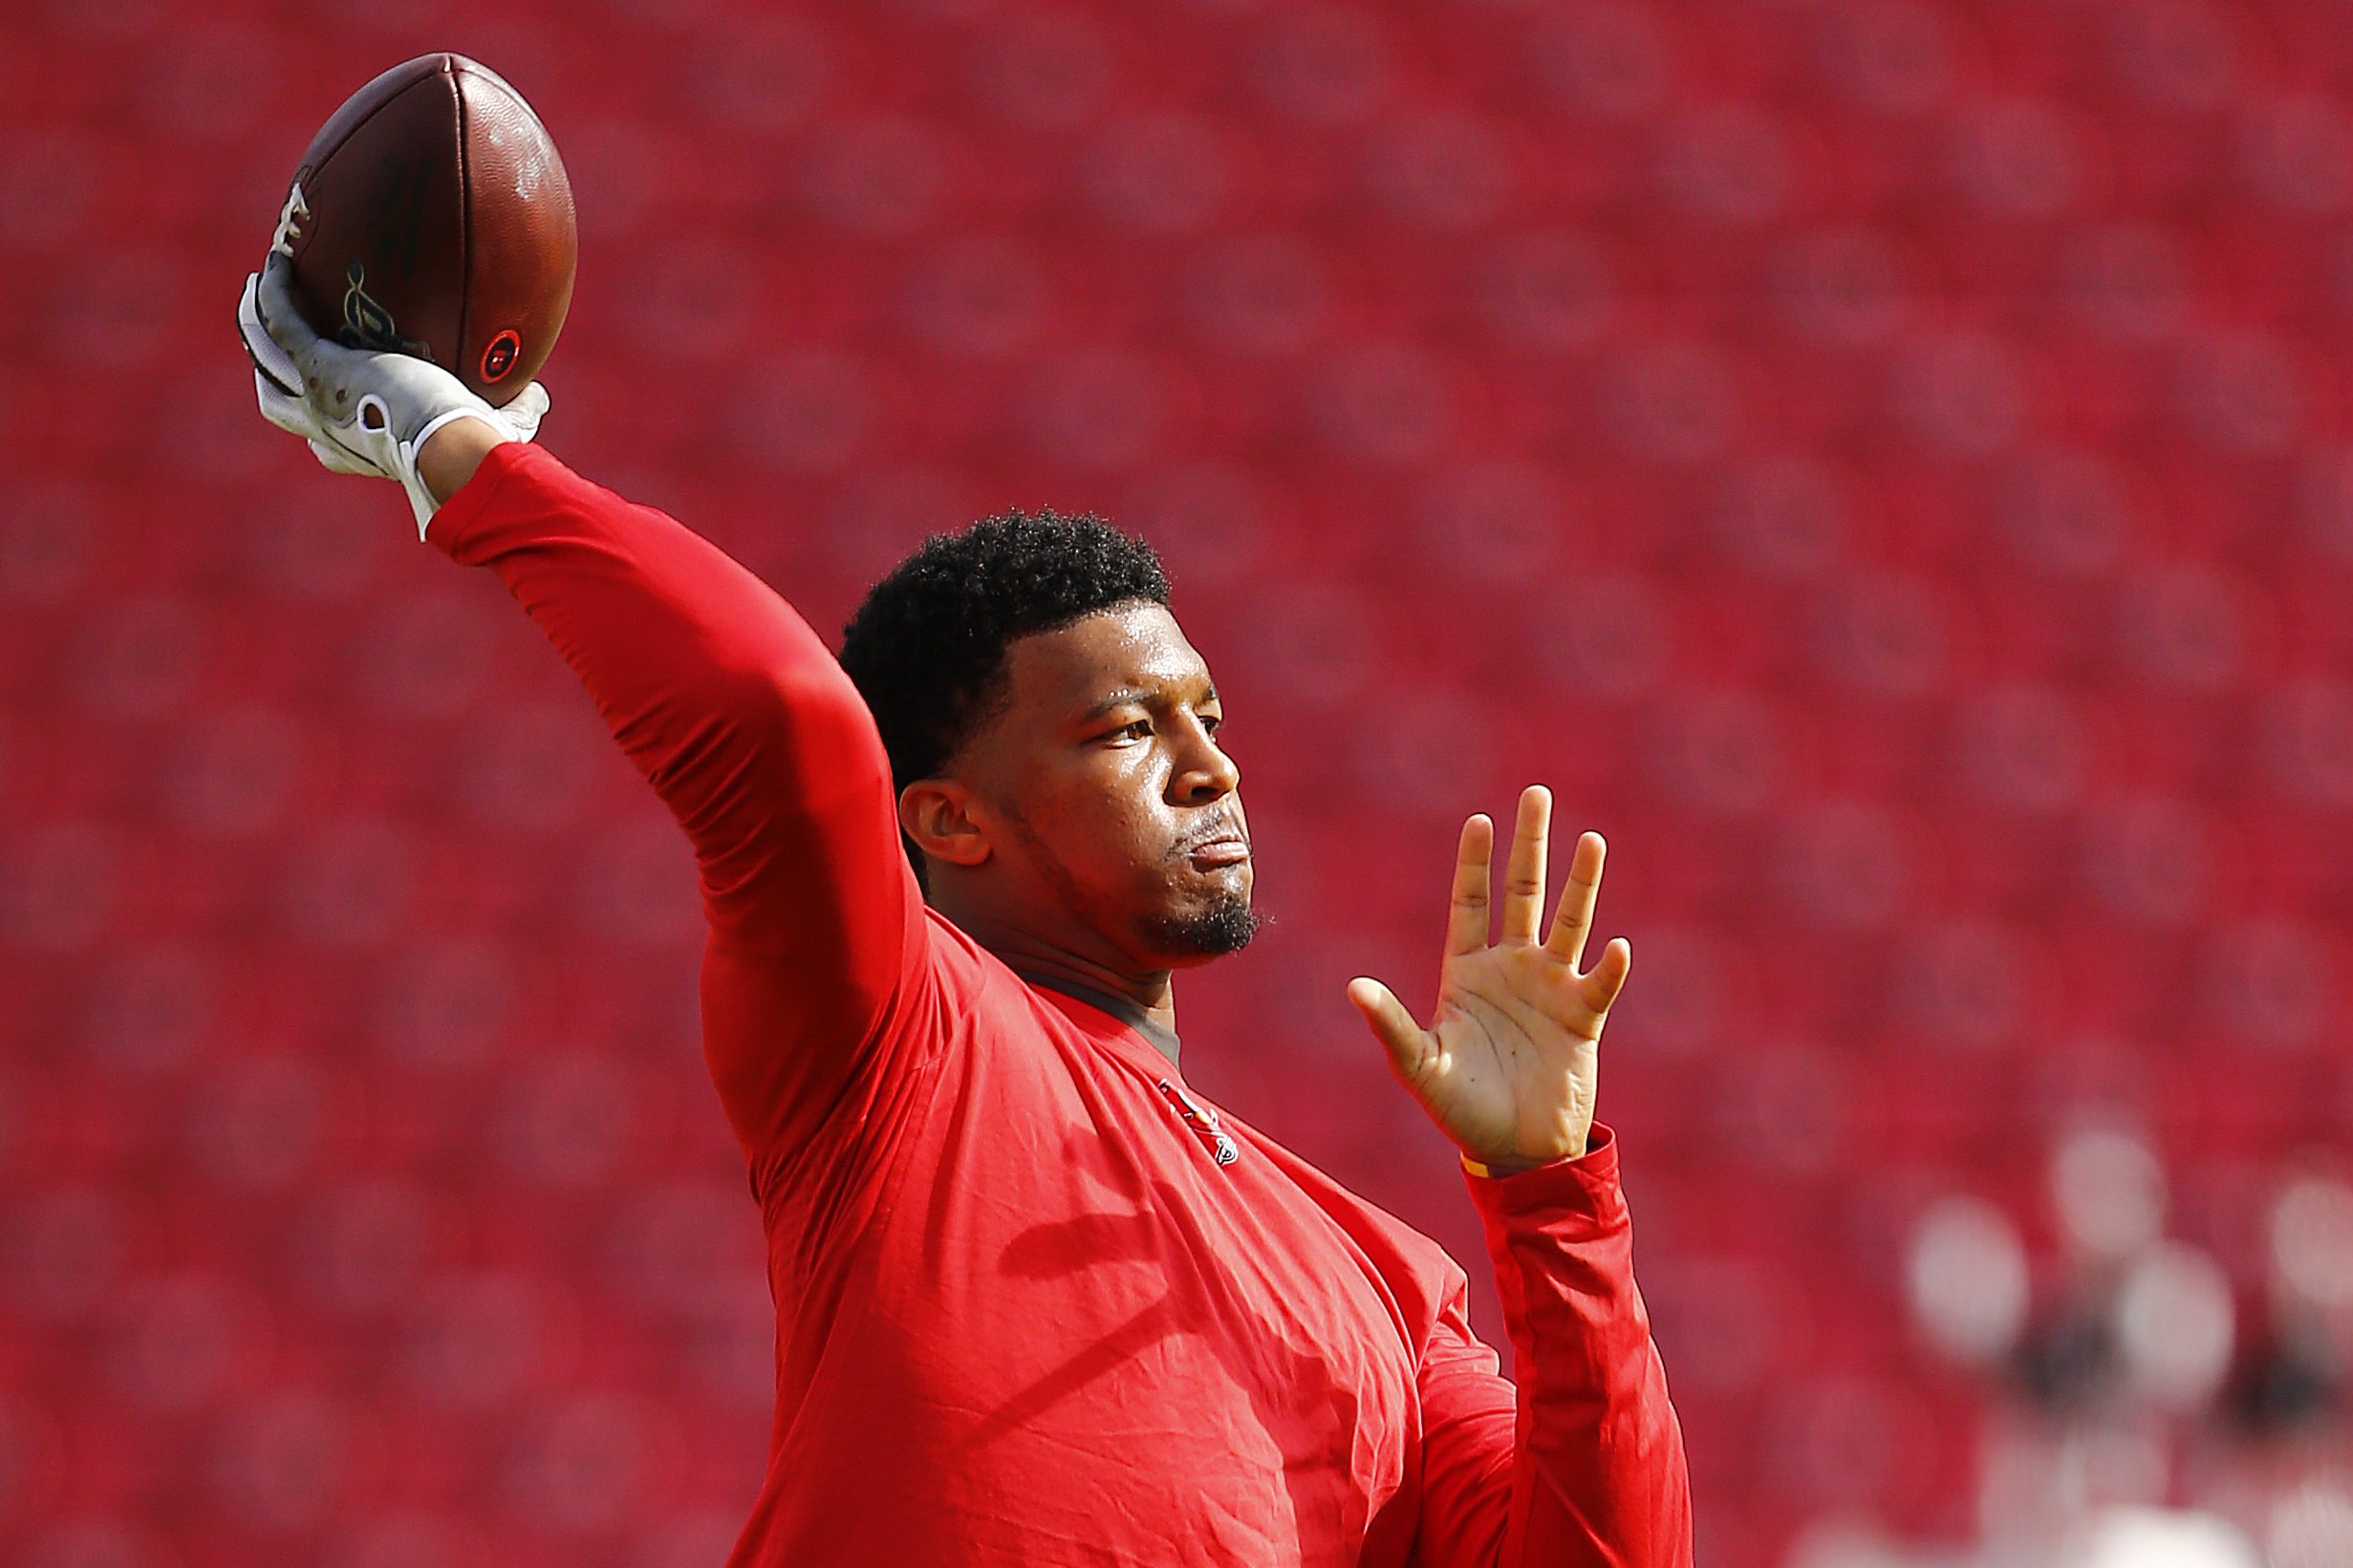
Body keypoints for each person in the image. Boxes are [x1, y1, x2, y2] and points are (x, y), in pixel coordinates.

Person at [238, 253, 1692, 1567]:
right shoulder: (895, 1028)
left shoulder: (1385, 1279)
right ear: (945, 818)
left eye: (1210, 715)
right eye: (1125, 729)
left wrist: (1548, 1193)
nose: (1211, 766)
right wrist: (464, 452)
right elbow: (780, 720)